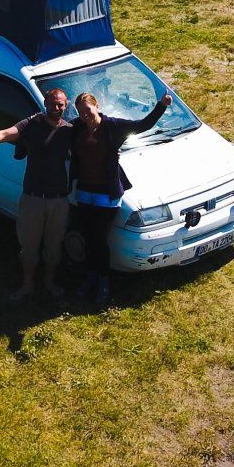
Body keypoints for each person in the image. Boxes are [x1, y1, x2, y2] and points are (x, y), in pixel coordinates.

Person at [69, 89, 172, 307]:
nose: (84, 115)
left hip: (106, 195)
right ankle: (91, 278)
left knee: (99, 239)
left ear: (97, 106)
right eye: (80, 112)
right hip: (85, 192)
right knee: (88, 237)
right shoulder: (77, 127)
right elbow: (58, 130)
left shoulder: (113, 127)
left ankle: (103, 283)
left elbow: (142, 125)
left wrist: (161, 105)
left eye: (87, 109)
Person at [0, 88, 74, 300]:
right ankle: (28, 285)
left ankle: (49, 282)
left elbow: (91, 146)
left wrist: (112, 151)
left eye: (60, 105)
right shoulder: (32, 124)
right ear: (45, 103)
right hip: (33, 199)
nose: (56, 108)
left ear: (66, 107)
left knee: (54, 246)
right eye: (53, 104)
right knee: (29, 247)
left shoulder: (69, 131)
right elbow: (2, 135)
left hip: (59, 200)